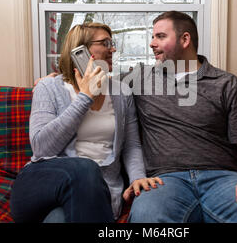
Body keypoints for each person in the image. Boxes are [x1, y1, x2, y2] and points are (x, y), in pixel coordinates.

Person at [35, 12, 237, 223]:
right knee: (146, 219)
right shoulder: (138, 79)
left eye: (160, 36)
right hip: (164, 181)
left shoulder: (227, 84)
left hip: (223, 178)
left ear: (185, 39)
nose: (151, 43)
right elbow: (91, 81)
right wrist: (55, 77)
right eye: (152, 37)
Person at [10, 22, 161, 223]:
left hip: (96, 193)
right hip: (42, 184)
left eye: (112, 42)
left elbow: (131, 145)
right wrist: (85, 97)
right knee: (85, 168)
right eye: (105, 43)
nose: (113, 48)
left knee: (57, 220)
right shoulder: (49, 87)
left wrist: (137, 178)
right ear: (80, 50)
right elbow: (42, 148)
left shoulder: (121, 92)